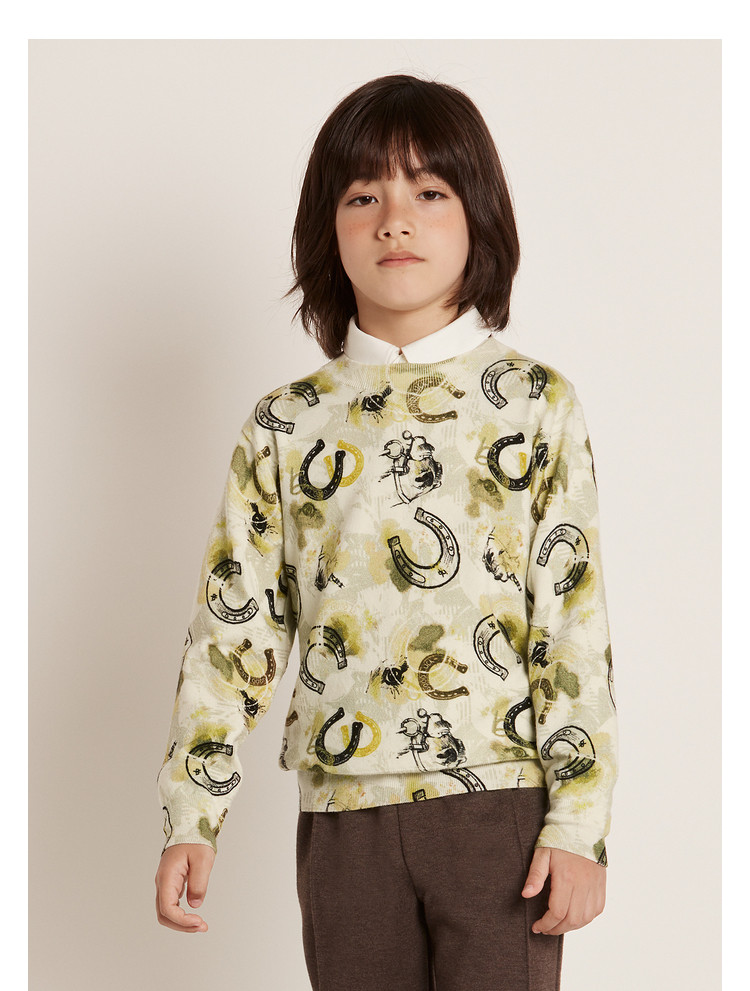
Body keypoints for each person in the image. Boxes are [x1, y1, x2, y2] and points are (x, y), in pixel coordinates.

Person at [154, 73, 618, 991]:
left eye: (429, 192)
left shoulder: (535, 404)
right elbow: (233, 629)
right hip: (344, 822)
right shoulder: (286, 425)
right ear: (326, 229)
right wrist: (191, 814)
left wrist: (579, 821)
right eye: (364, 196)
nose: (395, 221)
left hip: (499, 809)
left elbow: (572, 623)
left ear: (480, 218)